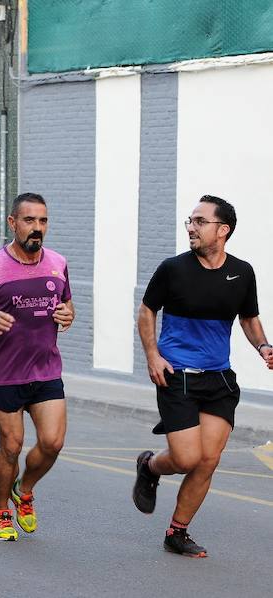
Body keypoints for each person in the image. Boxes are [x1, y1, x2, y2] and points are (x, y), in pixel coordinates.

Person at [132, 195, 273, 558]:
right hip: (176, 375)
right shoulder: (173, 269)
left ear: (222, 230)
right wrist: (152, 355)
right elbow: (147, 311)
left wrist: (263, 347)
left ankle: (177, 532)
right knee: (185, 459)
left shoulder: (242, 272)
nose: (191, 228)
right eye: (190, 221)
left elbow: (248, 317)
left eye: (199, 221)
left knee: (208, 459)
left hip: (218, 380)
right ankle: (150, 466)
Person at [0, 192, 74, 542]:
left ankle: (24, 489)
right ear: (13, 223)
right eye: (29, 220)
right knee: (11, 447)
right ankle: (0, 512)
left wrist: (68, 315)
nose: (37, 228)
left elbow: (67, 307)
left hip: (46, 368)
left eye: (42, 221)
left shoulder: (58, 262)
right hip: (5, 372)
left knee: (52, 443)